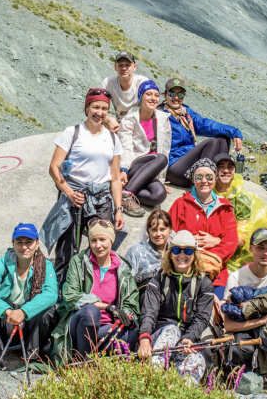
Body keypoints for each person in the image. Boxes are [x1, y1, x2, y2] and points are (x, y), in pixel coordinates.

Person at [42, 87, 125, 284]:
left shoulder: (112, 138)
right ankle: (62, 292)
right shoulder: (72, 133)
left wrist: (119, 209)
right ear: (87, 108)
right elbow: (54, 167)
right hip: (75, 195)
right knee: (67, 249)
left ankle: (97, 287)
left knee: (103, 245)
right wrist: (69, 193)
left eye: (105, 109)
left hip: (101, 197)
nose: (100, 112)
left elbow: (114, 177)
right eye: (95, 107)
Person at [51, 219, 140, 361]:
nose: (98, 245)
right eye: (93, 240)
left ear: (111, 241)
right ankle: (84, 360)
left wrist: (126, 314)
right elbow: (70, 296)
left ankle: (102, 357)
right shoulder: (78, 261)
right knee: (91, 313)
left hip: (107, 328)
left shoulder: (123, 268)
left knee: (134, 328)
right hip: (80, 324)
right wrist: (107, 306)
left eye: (102, 239)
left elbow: (131, 302)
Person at [221, 228, 267, 387]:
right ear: (251, 249)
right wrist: (262, 320)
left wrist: (251, 304)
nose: (265, 253)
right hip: (247, 329)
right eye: (260, 248)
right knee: (238, 348)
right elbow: (228, 325)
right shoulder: (236, 277)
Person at [137, 230, 215, 383]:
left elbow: (202, 318)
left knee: (197, 361)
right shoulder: (159, 279)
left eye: (188, 251)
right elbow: (149, 312)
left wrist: (188, 338)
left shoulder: (204, 283)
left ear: (195, 255)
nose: (182, 255)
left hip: (187, 341)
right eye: (176, 250)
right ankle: (152, 380)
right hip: (160, 336)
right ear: (170, 253)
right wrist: (144, 338)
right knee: (172, 330)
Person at [0, 223, 58, 365]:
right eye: (19, 242)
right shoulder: (4, 262)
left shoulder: (46, 265)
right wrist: (6, 311)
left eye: (29, 242)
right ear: (13, 244)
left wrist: (24, 312)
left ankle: (32, 355)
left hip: (30, 325)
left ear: (37, 244)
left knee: (48, 310)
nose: (24, 247)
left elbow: (51, 294)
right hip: (7, 320)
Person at [169, 158, 239, 299]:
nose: (204, 181)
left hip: (216, 273)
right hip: (185, 268)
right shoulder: (180, 204)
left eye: (209, 177)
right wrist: (189, 249)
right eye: (199, 177)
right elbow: (170, 234)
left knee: (215, 310)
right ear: (193, 180)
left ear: (215, 178)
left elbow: (231, 241)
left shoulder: (225, 208)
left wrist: (217, 246)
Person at [159, 78, 244, 187]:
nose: (176, 98)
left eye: (180, 95)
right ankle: (203, 186)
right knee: (210, 143)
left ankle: (220, 182)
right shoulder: (160, 114)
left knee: (223, 138)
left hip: (190, 163)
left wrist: (234, 132)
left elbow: (206, 125)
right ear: (165, 94)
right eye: (172, 94)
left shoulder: (186, 113)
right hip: (174, 167)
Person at [213, 153, 267, 267]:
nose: (226, 170)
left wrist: (216, 241)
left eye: (230, 167)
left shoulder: (241, 199)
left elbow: (241, 239)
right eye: (221, 166)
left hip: (235, 254)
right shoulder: (206, 194)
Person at [118, 79, 172, 216]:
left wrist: (161, 179)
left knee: (159, 194)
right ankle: (126, 195)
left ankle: (122, 191)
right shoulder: (130, 119)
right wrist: (124, 169)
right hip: (133, 165)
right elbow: (126, 147)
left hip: (150, 169)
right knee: (161, 158)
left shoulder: (163, 119)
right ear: (141, 97)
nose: (153, 98)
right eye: (148, 94)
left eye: (156, 95)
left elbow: (165, 147)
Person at [125, 208, 172, 290]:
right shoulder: (136, 252)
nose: (158, 234)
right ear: (148, 231)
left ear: (170, 230)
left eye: (162, 229)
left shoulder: (176, 252)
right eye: (154, 230)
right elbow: (126, 282)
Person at [100, 51, 149, 129]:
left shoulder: (143, 83)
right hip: (117, 123)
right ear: (115, 67)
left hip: (138, 123)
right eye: (120, 65)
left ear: (134, 67)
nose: (124, 68)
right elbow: (98, 105)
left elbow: (151, 107)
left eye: (127, 65)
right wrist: (108, 119)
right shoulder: (108, 83)